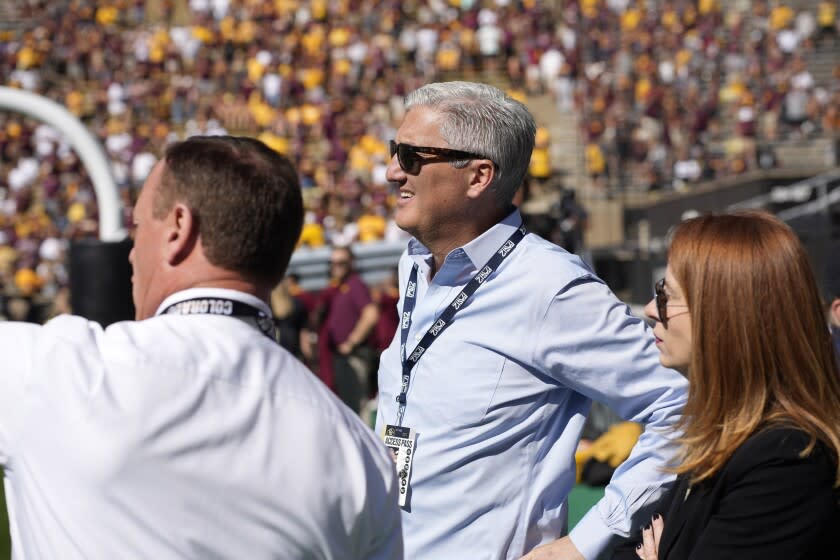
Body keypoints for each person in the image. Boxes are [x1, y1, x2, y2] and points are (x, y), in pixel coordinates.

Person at [0, 135, 403, 559]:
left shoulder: (60, 372)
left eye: (139, 228)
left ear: (178, 228)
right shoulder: (362, 456)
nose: (133, 255)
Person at [375, 81, 687, 560]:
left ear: (478, 176)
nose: (393, 171)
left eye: (412, 155)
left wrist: (588, 541)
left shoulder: (550, 287)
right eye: (395, 151)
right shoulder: (415, 264)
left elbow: (686, 402)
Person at [627, 211, 840, 560]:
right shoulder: (724, 432)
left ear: (725, 315)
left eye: (667, 296)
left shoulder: (786, 461)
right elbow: (632, 546)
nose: (651, 309)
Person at [315, 245, 380, 414]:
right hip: (340, 357)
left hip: (353, 357)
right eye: (332, 263)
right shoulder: (339, 288)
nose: (336, 266)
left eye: (341, 263)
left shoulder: (355, 284)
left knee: (356, 409)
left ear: (351, 263)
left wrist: (351, 342)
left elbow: (371, 314)